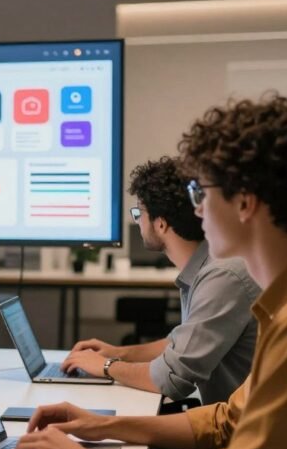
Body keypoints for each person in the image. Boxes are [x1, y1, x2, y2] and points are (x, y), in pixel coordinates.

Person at [14, 95, 287, 449]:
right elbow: (227, 419)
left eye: (201, 193)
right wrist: (100, 425)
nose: (196, 210)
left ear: (245, 203)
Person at [62, 156, 260, 405]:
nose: (137, 221)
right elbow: (178, 344)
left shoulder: (223, 276)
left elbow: (171, 379)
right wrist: (119, 353)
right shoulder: (208, 267)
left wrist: (106, 366)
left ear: (161, 223)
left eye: (139, 213)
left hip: (241, 434)